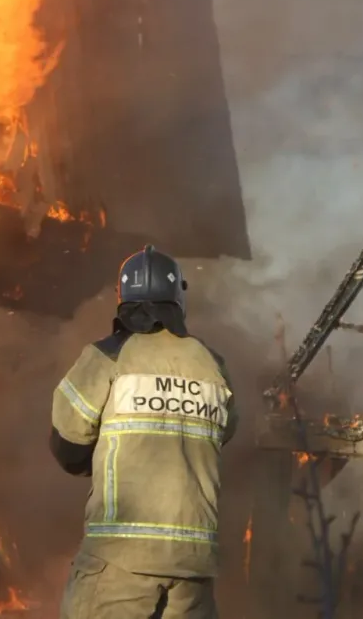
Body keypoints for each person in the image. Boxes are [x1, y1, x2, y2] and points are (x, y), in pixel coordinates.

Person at [50, 245, 237, 619]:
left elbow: (67, 448)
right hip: (192, 570)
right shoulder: (213, 366)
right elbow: (224, 433)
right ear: (178, 299)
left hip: (121, 560)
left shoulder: (108, 357)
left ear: (122, 298)